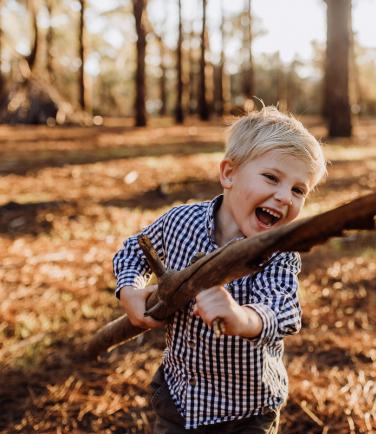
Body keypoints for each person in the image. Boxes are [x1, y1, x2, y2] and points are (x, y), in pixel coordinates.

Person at [113, 106, 327, 433]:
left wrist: (241, 318)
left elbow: (280, 310)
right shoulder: (180, 222)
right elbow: (134, 250)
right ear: (228, 173)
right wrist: (130, 288)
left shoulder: (279, 251)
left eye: (299, 190)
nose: (285, 197)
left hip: (247, 410)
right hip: (180, 398)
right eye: (272, 177)